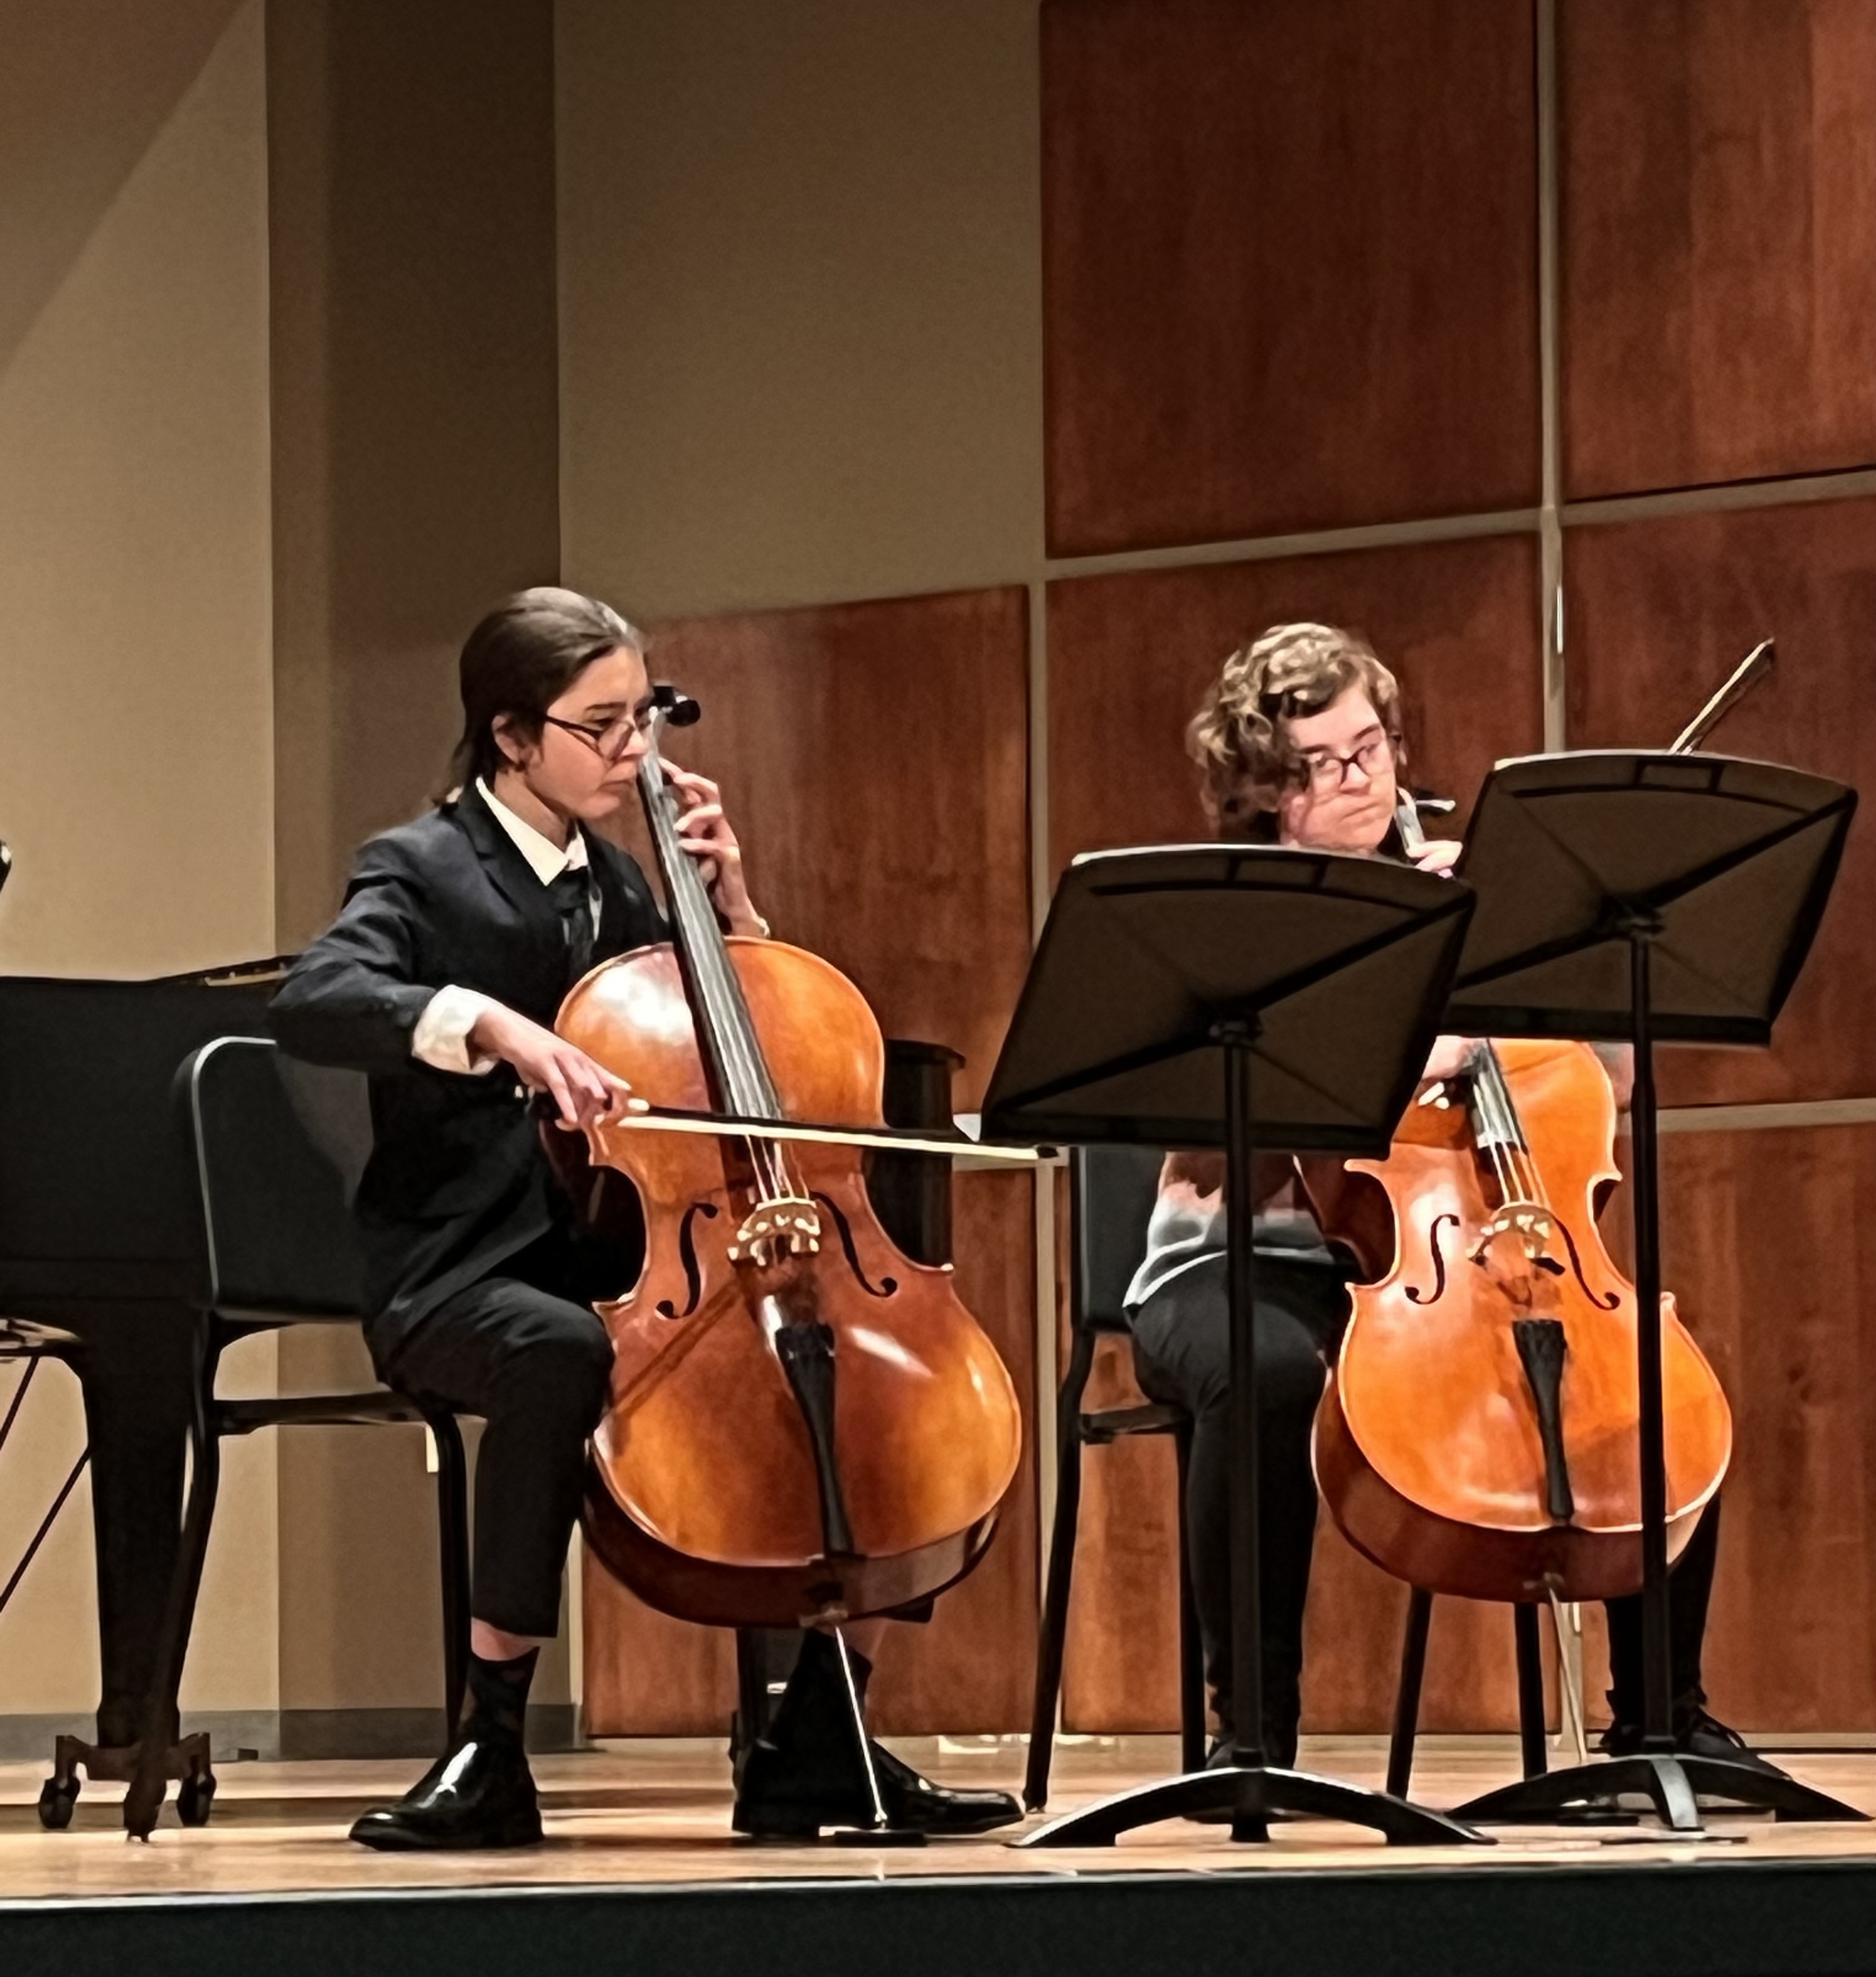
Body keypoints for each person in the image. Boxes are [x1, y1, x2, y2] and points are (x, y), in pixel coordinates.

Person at [272, 586, 1019, 1848]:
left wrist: (732, 912)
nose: (636, 751)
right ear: (515, 737)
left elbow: (737, 1042)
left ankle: (820, 1733)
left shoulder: (625, 886)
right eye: (603, 725)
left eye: (645, 718)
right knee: (556, 1350)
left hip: (621, 1261)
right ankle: (490, 1743)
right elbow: (317, 997)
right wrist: (493, 1027)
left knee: (865, 1369)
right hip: (461, 1271)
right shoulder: (422, 867)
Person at [1124, 620, 1765, 1773]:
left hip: (1450, 1254)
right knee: (1265, 1371)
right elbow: (1269, 1106)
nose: (1357, 779)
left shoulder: (1466, 883)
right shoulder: (1240, 914)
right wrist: (1419, 1026)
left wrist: (1567, 961)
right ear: (1260, 790)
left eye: (1369, 748)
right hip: (1242, 1259)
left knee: (1646, 1379)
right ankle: (1251, 1734)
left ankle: (1661, 1716)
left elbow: (1605, 1084)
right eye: (1317, 766)